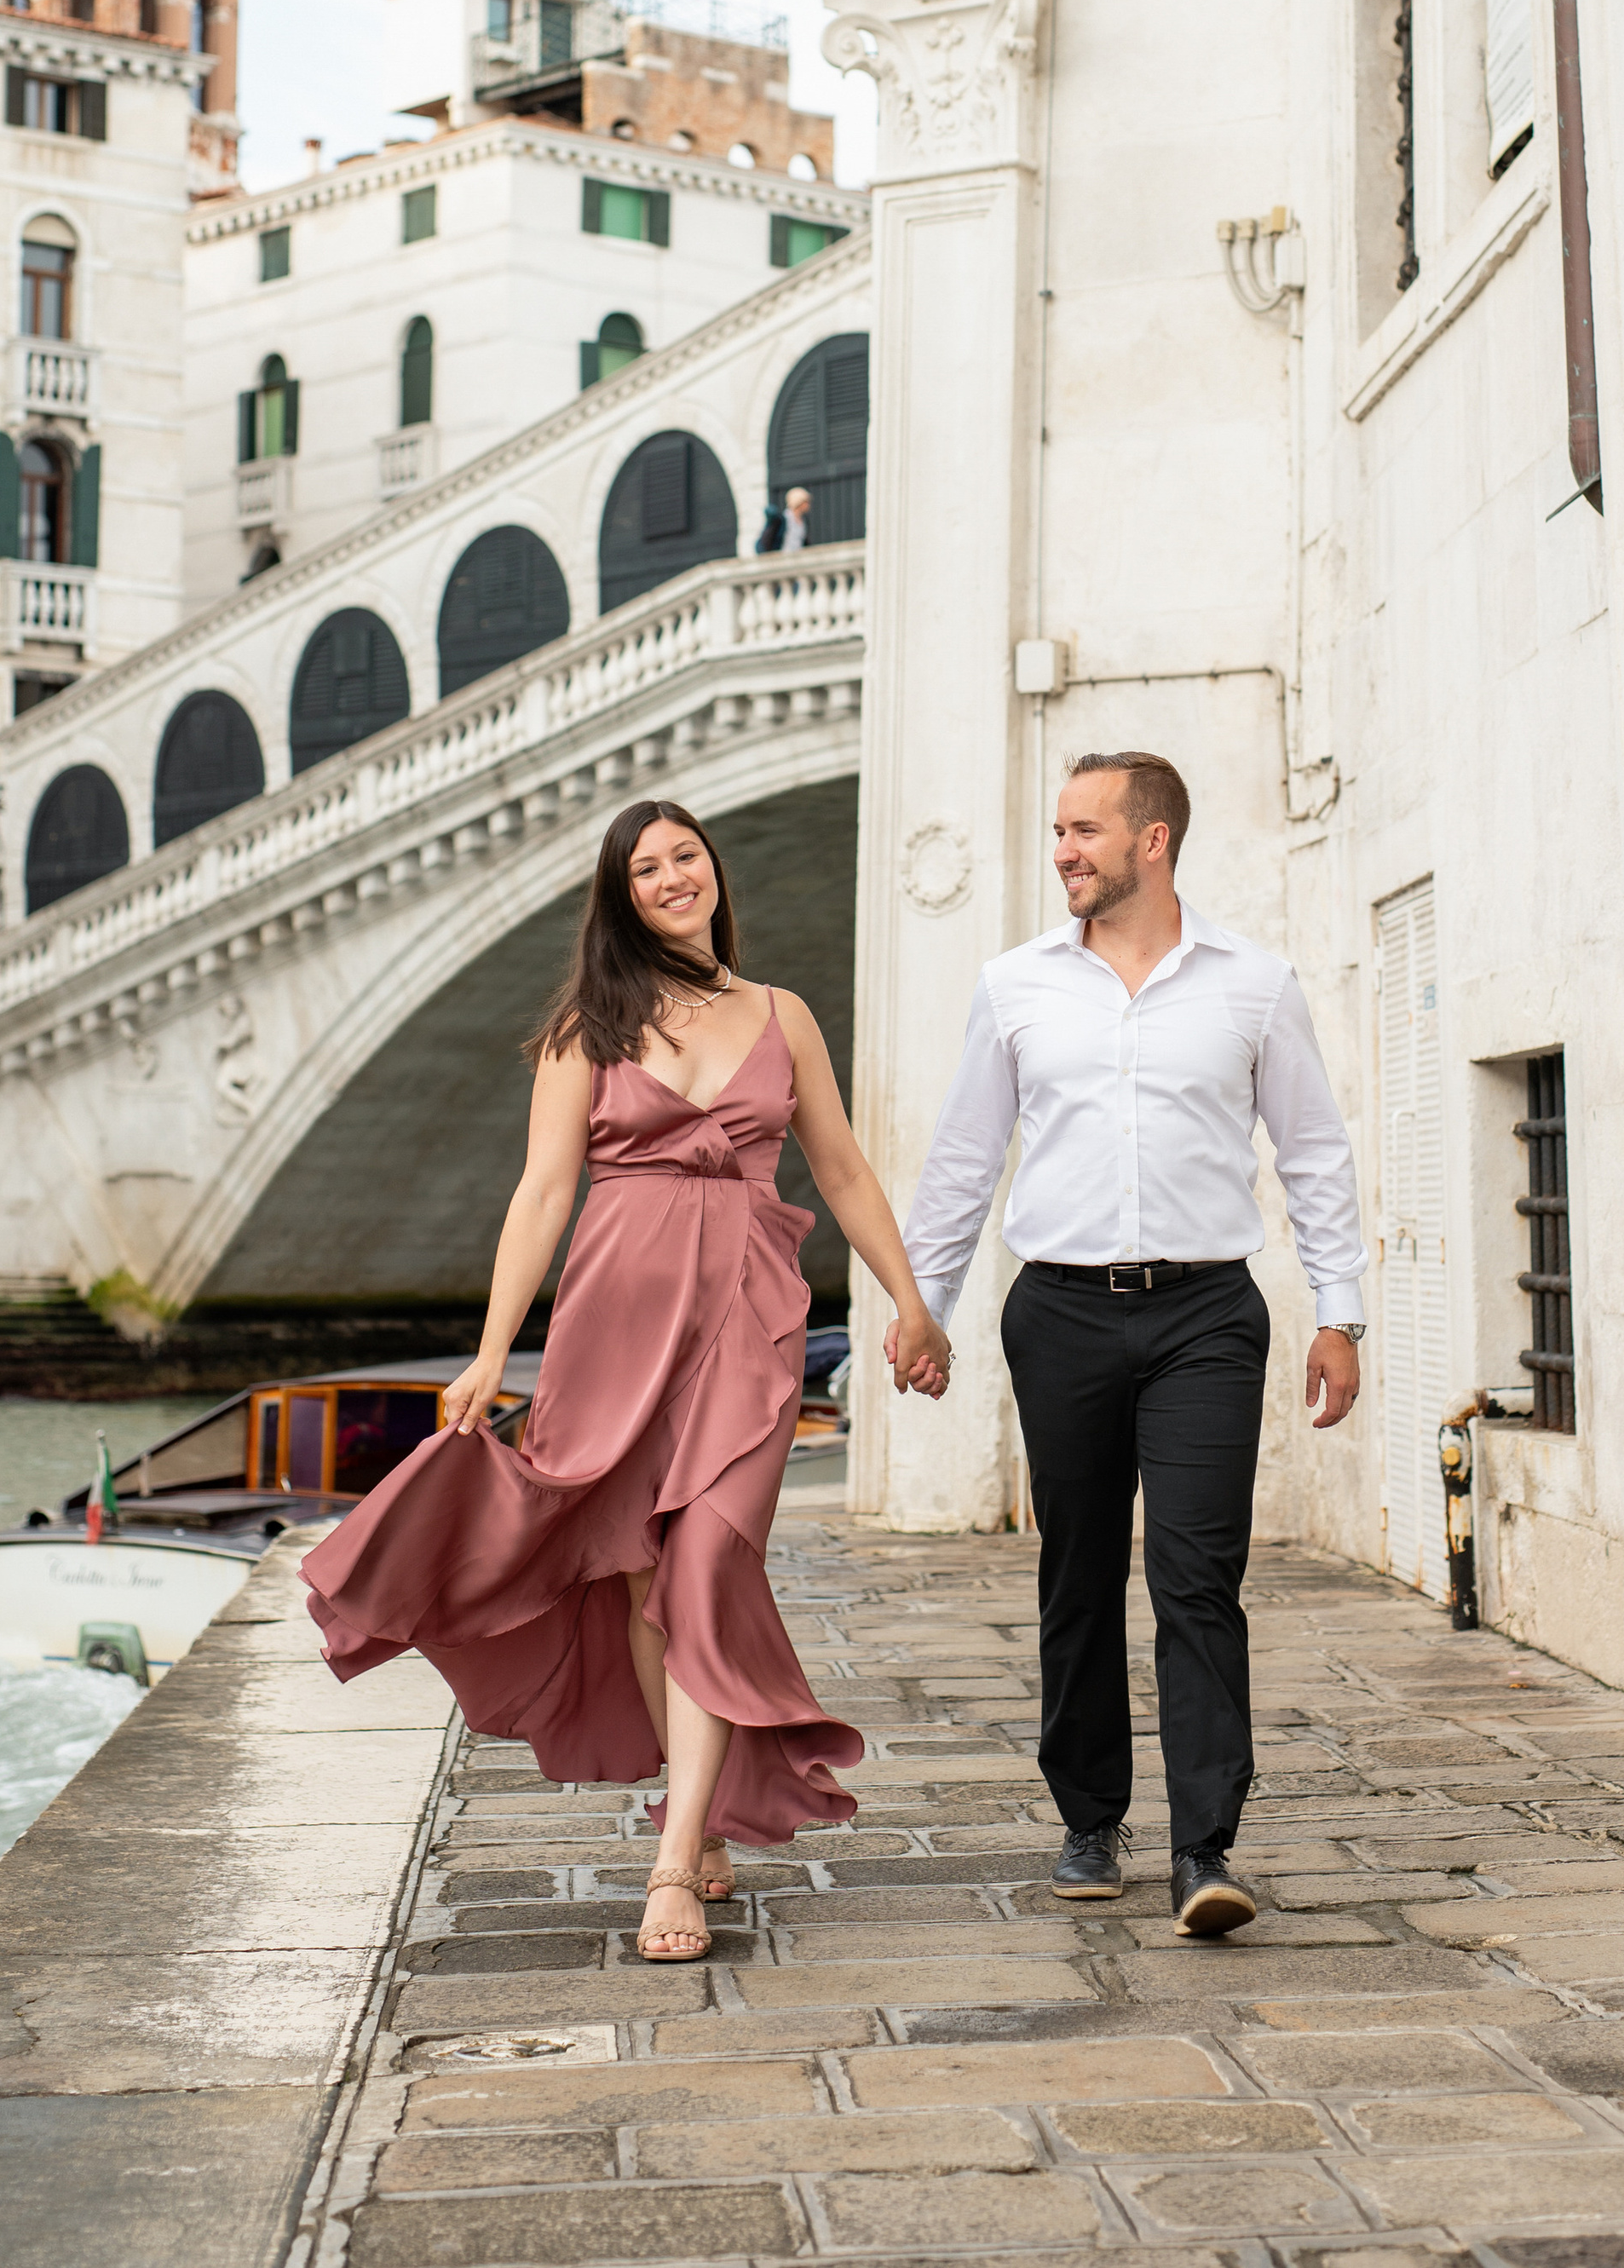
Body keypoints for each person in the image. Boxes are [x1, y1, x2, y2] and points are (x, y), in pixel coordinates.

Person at [303, 799, 952, 1962]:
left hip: (748, 1323)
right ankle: (697, 1813)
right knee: (644, 1578)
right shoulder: (585, 1028)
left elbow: (842, 1170)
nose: (670, 878)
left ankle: (670, 1862)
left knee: (706, 1563)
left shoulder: (780, 1015)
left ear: (713, 871)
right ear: (621, 892)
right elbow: (544, 1196)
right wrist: (494, 1349)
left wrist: (909, 1301)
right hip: (615, 1329)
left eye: (684, 858)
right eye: (645, 868)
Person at [892, 751, 1368, 1938]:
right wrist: (922, 1303)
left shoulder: (1255, 986)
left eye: (1086, 830)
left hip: (1208, 1313)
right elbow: (963, 1158)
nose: (1065, 850)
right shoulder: (1015, 988)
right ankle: (1090, 1817)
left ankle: (1205, 1846)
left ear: (1153, 841)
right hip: (1058, 1311)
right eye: (1059, 830)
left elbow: (1313, 1153)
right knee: (1080, 1569)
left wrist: (1342, 1311)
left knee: (1198, 1576)